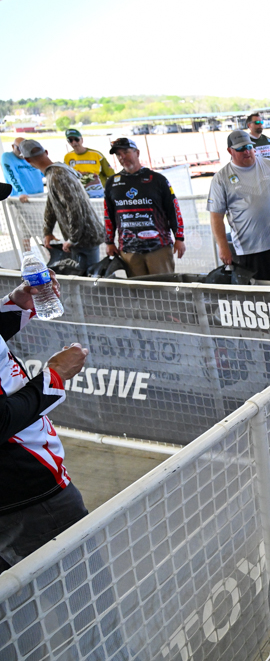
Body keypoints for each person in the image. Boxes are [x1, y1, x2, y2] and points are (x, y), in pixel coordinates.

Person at [0, 186, 91, 573]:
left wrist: (17, 306)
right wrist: (53, 377)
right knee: (85, 597)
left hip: (22, 491)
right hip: (27, 494)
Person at [207, 131, 270, 282]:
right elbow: (216, 216)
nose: (247, 151)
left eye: (249, 147)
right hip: (251, 248)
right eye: (241, 148)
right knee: (259, 292)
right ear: (230, 151)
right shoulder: (221, 178)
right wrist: (223, 246)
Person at [104, 137, 186, 277]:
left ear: (137, 153)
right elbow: (108, 215)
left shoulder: (158, 180)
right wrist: (109, 242)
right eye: (118, 154)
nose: (122, 157)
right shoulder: (112, 183)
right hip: (128, 250)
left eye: (126, 152)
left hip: (158, 248)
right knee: (138, 289)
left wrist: (179, 238)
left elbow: (173, 210)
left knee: (164, 288)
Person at [20, 140, 104, 272]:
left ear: (27, 160)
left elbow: (74, 209)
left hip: (85, 239)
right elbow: (51, 203)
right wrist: (47, 231)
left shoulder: (57, 175)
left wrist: (72, 239)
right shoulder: (55, 172)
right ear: (46, 152)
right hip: (84, 237)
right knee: (82, 276)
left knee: (89, 277)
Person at [63, 129, 115, 198]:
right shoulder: (67, 157)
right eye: (70, 140)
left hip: (98, 193)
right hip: (79, 194)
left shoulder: (96, 154)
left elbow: (111, 174)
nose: (74, 142)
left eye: (76, 139)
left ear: (82, 140)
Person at [2, 138, 45, 203]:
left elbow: (44, 172)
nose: (23, 152)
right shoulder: (7, 157)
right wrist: (21, 192)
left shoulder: (30, 156)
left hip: (39, 196)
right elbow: (12, 176)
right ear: (13, 147)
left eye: (25, 149)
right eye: (19, 149)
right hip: (21, 198)